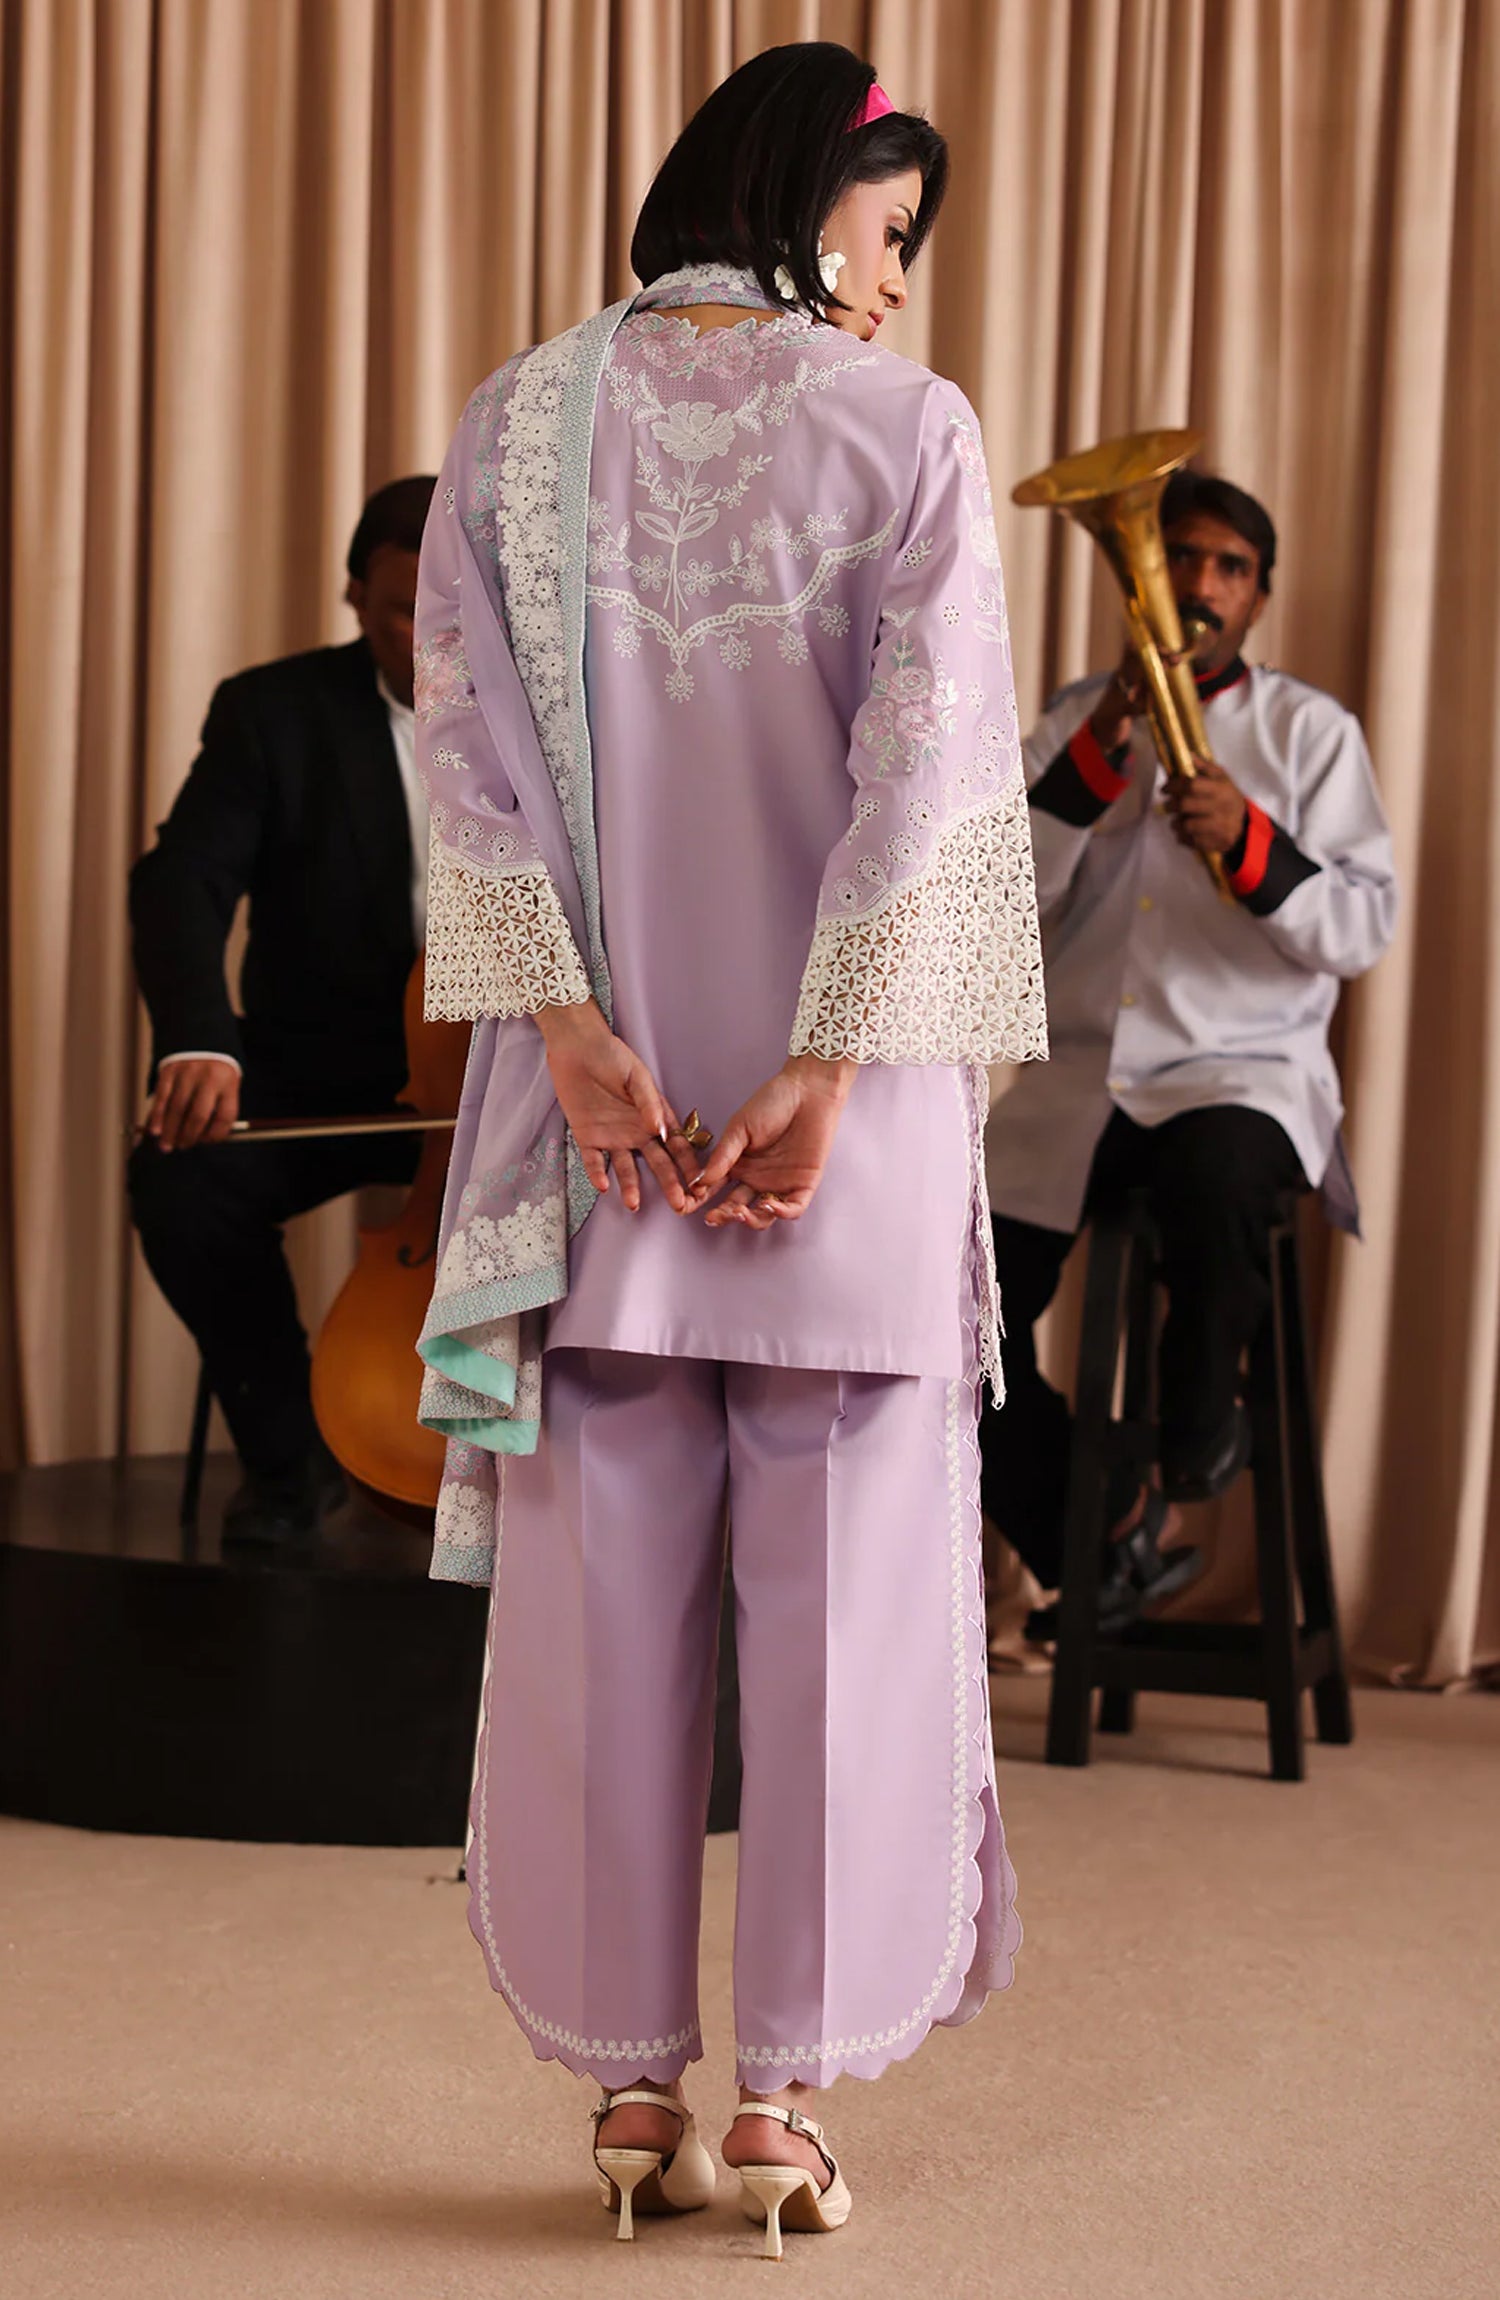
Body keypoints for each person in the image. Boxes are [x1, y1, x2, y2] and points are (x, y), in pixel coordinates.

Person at [412, 44, 1046, 2255]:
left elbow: (463, 764)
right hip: (825, 1150)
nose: (895, 283)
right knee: (848, 1620)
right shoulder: (910, 430)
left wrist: (576, 1040)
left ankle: (627, 2096)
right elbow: (930, 789)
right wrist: (828, 1073)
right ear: (802, 195)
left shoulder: (516, 423)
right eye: (890, 231)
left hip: (599, 1142)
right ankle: (779, 2106)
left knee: (600, 1616)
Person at [981, 469, 1397, 1635]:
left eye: (1230, 567)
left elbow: (1362, 926)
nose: (1201, 586)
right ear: (1137, 577)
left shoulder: (1311, 733)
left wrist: (1253, 841)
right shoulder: (1075, 720)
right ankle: (1102, 1528)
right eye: (1179, 559)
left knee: (1218, 1179)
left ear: (1260, 596)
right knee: (947, 1303)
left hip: (1238, 1071)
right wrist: (1101, 748)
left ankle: (1197, 1426)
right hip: (1077, 1081)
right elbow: (998, 896)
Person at [128, 476, 437, 1546]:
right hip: (325, 1064)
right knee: (183, 1177)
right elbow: (183, 878)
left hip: (506, 1081)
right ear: (354, 597)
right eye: (405, 611)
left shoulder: (564, 711)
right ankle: (291, 1458)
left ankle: (581, 1490)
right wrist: (197, 1040)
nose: (434, 637)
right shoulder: (273, 712)